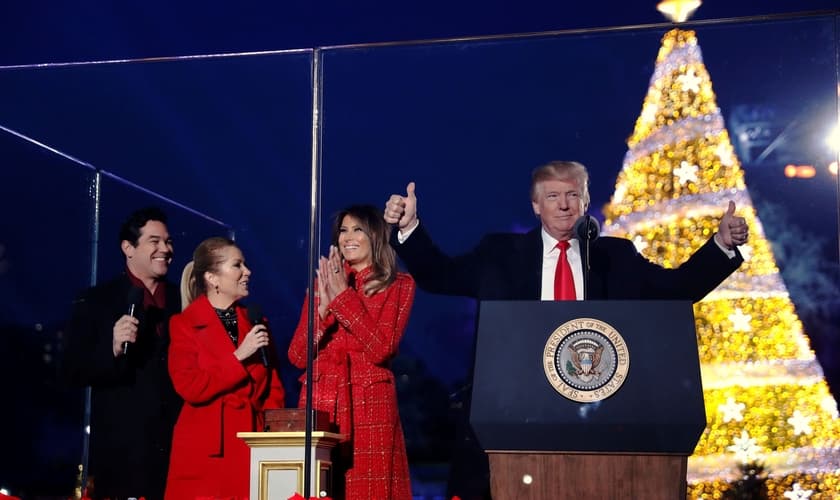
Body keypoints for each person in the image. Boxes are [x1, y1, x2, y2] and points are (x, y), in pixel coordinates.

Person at [383, 160, 749, 499]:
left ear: (586, 201)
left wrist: (722, 246)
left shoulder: (613, 257)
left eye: (573, 195)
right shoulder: (500, 253)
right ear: (535, 205)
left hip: (599, 421)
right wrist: (409, 229)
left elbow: (677, 290)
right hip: (512, 413)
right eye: (553, 196)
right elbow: (440, 275)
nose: (563, 205)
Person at [288, 204, 416, 500]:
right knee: (319, 489)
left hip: (369, 405)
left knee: (369, 491)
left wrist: (343, 298)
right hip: (323, 403)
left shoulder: (399, 285)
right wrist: (321, 309)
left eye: (357, 229)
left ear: (374, 236)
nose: (348, 237)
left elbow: (380, 349)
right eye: (343, 230)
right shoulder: (323, 283)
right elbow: (297, 356)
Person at [62, 207, 183, 500]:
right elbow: (71, 370)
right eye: (154, 241)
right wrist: (112, 347)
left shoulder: (184, 299)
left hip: (179, 444)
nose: (165, 249)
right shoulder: (96, 300)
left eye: (168, 242)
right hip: (123, 451)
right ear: (128, 248)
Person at [165, 236, 286, 499]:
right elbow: (190, 387)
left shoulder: (256, 321)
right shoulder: (184, 324)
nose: (247, 272)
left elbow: (273, 389)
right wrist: (238, 356)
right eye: (237, 265)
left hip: (251, 443)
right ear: (212, 278)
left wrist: (272, 442)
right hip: (206, 448)